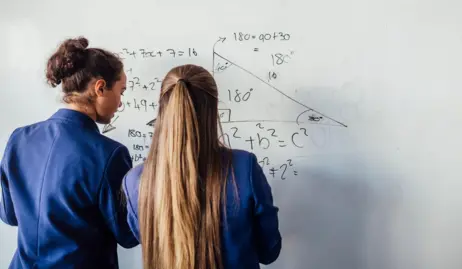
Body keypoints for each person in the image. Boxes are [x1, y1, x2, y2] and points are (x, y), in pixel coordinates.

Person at [122, 64, 282, 269]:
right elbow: (269, 251)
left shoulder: (136, 181)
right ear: (213, 110)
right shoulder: (244, 169)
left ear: (163, 109)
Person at [0, 36, 139, 268]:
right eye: (121, 91)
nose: (120, 103)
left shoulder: (18, 139)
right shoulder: (109, 154)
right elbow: (127, 234)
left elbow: (9, 215)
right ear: (100, 88)